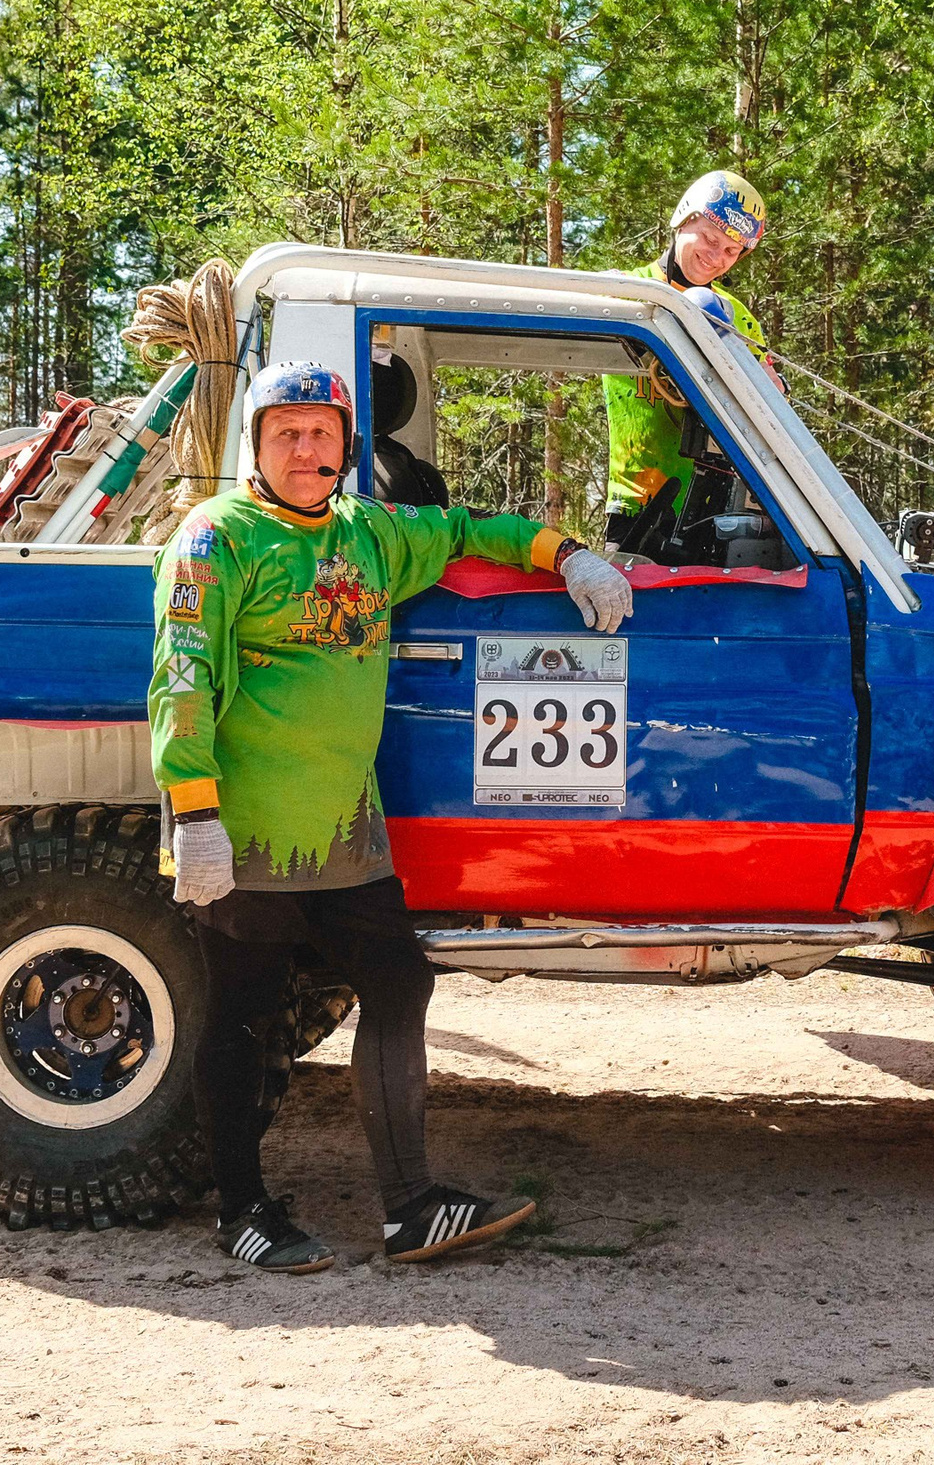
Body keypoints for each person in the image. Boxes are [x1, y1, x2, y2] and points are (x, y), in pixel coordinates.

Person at [149, 360, 633, 1273]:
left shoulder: (368, 531)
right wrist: (194, 812)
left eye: (322, 433)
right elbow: (180, 680)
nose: (306, 447)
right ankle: (242, 1210)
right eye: (287, 431)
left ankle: (411, 1209)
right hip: (244, 831)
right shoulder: (215, 540)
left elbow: (462, 529)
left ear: (347, 448)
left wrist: (566, 553)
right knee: (246, 1013)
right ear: (255, 442)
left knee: (399, 979)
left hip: (344, 828)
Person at [602, 169, 769, 551]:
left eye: (731, 251)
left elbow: (772, 407)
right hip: (634, 506)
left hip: (714, 512)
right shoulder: (623, 291)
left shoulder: (739, 319)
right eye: (710, 238)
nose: (715, 257)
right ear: (683, 219)